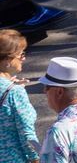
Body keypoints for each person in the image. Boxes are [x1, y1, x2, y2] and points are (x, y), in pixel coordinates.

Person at [0, 30, 33, 163]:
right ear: (7, 60)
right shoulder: (14, 92)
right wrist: (36, 159)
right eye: (20, 55)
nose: (23, 58)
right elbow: (27, 136)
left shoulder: (11, 88)